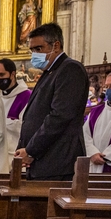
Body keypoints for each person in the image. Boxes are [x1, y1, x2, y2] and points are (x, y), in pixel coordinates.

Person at [14, 23, 89, 180]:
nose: (34, 55)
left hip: (57, 163)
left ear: (56, 46)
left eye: (39, 49)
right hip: (44, 161)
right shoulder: (50, 72)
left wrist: (32, 150)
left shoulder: (70, 69)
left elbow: (60, 116)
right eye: (32, 50)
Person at [0, 58, 32, 162]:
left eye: (1, 75)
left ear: (12, 74)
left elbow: (27, 128)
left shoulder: (27, 97)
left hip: (17, 155)